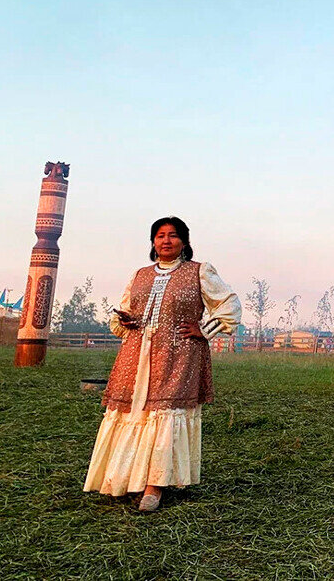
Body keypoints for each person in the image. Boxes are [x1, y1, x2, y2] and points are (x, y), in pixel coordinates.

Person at [84, 216, 241, 512]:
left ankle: (154, 487)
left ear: (184, 241)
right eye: (159, 236)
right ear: (152, 242)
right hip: (136, 354)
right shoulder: (140, 274)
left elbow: (230, 304)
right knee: (135, 412)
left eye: (172, 235)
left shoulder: (199, 272)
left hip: (179, 354)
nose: (165, 241)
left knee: (165, 413)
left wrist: (205, 329)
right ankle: (126, 478)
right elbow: (125, 312)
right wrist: (124, 319)